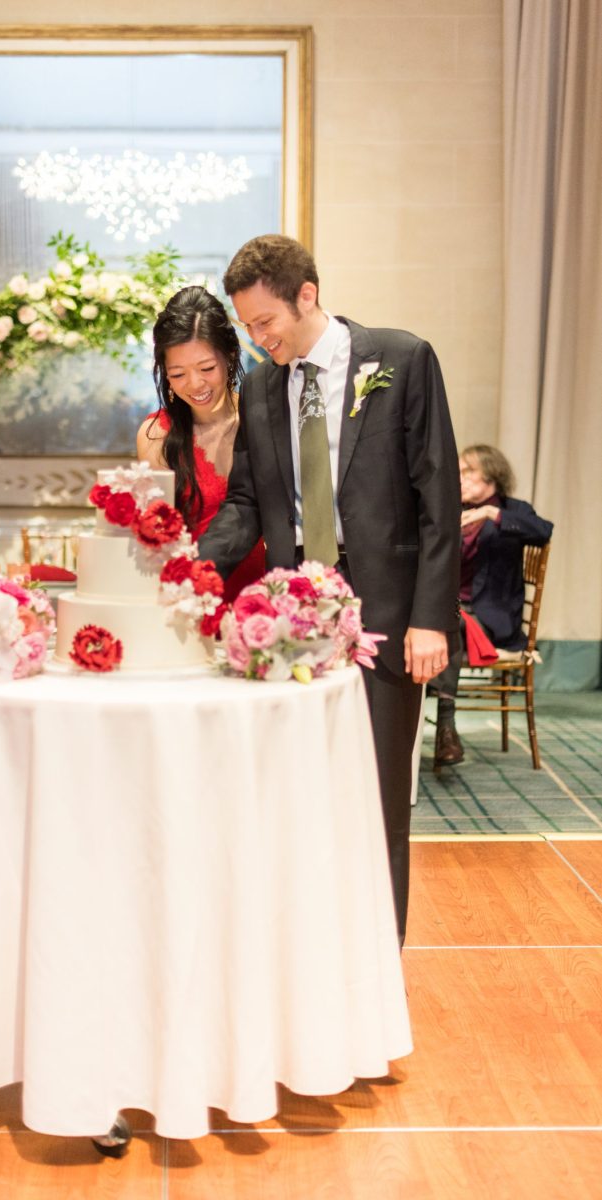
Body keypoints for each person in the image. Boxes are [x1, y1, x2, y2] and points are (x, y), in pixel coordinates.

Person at [198, 235, 462, 943]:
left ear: (306, 295)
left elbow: (438, 497)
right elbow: (249, 502)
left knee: (377, 798)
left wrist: (431, 617)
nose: (256, 342)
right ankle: (306, 957)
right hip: (294, 615)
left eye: (264, 323)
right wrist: (194, 562)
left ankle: (375, 965)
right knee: (296, 793)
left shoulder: (400, 360)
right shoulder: (259, 387)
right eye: (248, 327)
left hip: (386, 610)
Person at [137, 285, 265, 600]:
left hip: (266, 598)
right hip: (192, 599)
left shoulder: (263, 422)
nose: (195, 385)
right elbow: (156, 541)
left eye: (206, 368)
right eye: (178, 374)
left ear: (231, 356)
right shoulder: (157, 434)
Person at [430, 444, 554, 767]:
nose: (459, 478)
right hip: (453, 613)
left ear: (491, 475)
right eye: (457, 471)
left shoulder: (512, 510)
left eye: (467, 471)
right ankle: (423, 730)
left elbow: (543, 531)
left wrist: (490, 514)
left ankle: (445, 727)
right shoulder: (450, 511)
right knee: (436, 621)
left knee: (445, 623)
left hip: (491, 619)